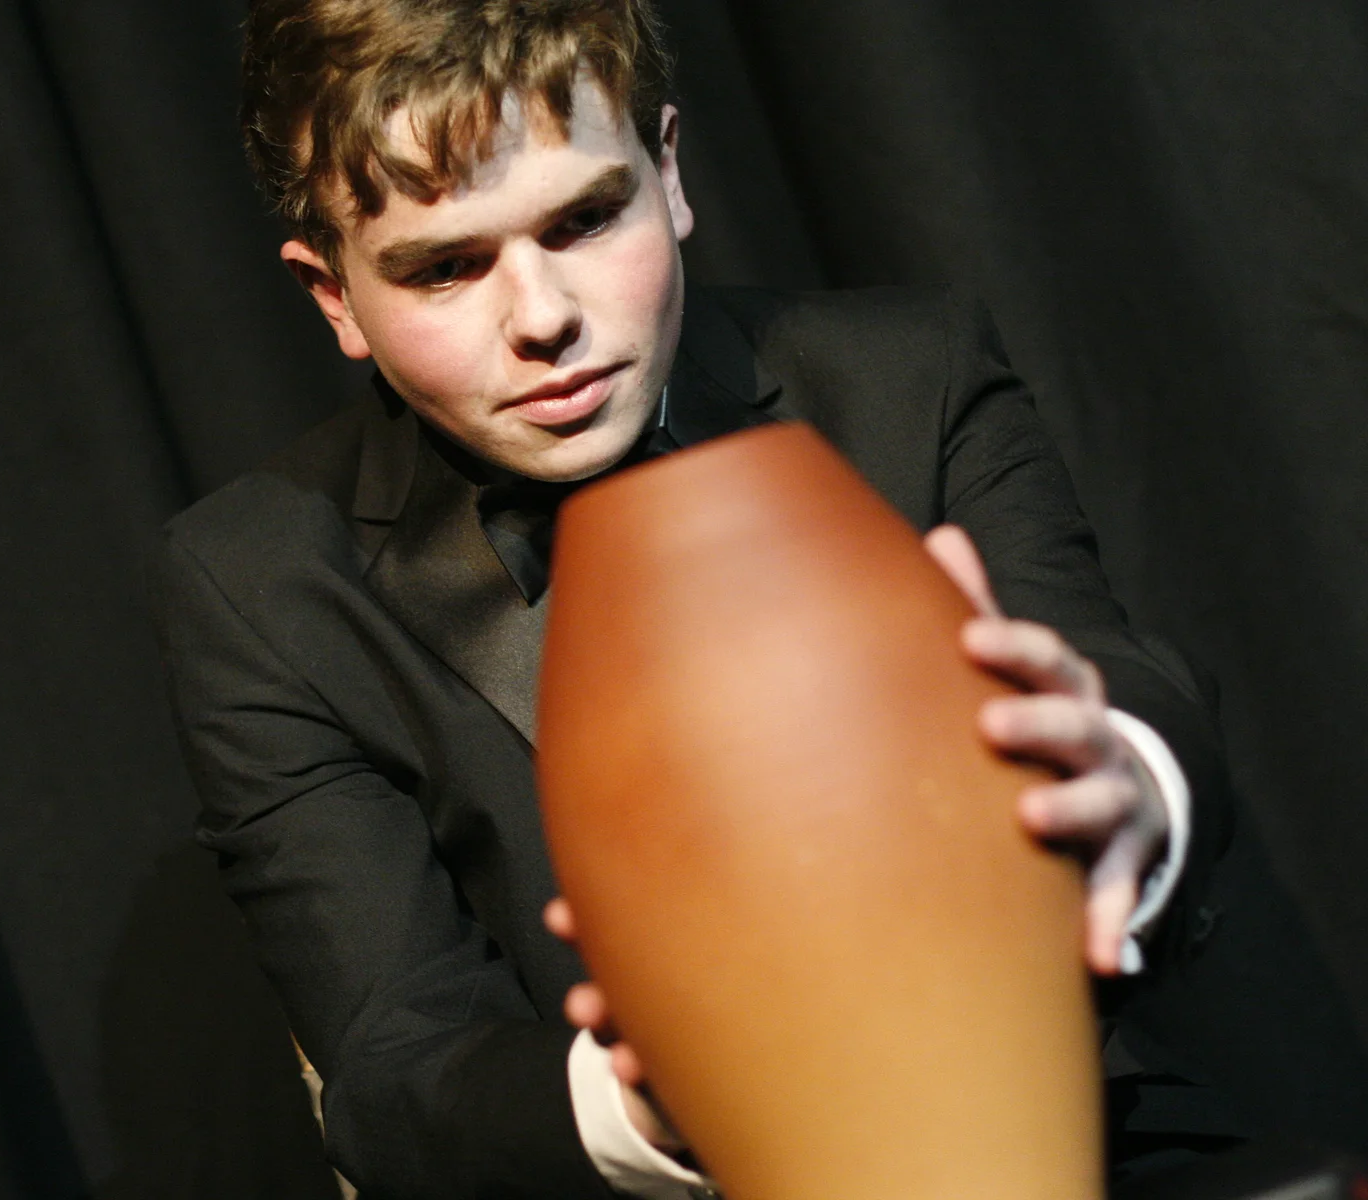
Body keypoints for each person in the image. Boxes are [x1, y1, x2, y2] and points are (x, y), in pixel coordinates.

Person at [150, 0, 1235, 1195]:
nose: (544, 319)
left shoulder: (907, 378)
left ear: (666, 172)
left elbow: (1115, 677)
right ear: (334, 297)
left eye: (583, 219)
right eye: (447, 267)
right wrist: (660, 1099)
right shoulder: (259, 585)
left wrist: (1127, 777)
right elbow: (397, 1067)